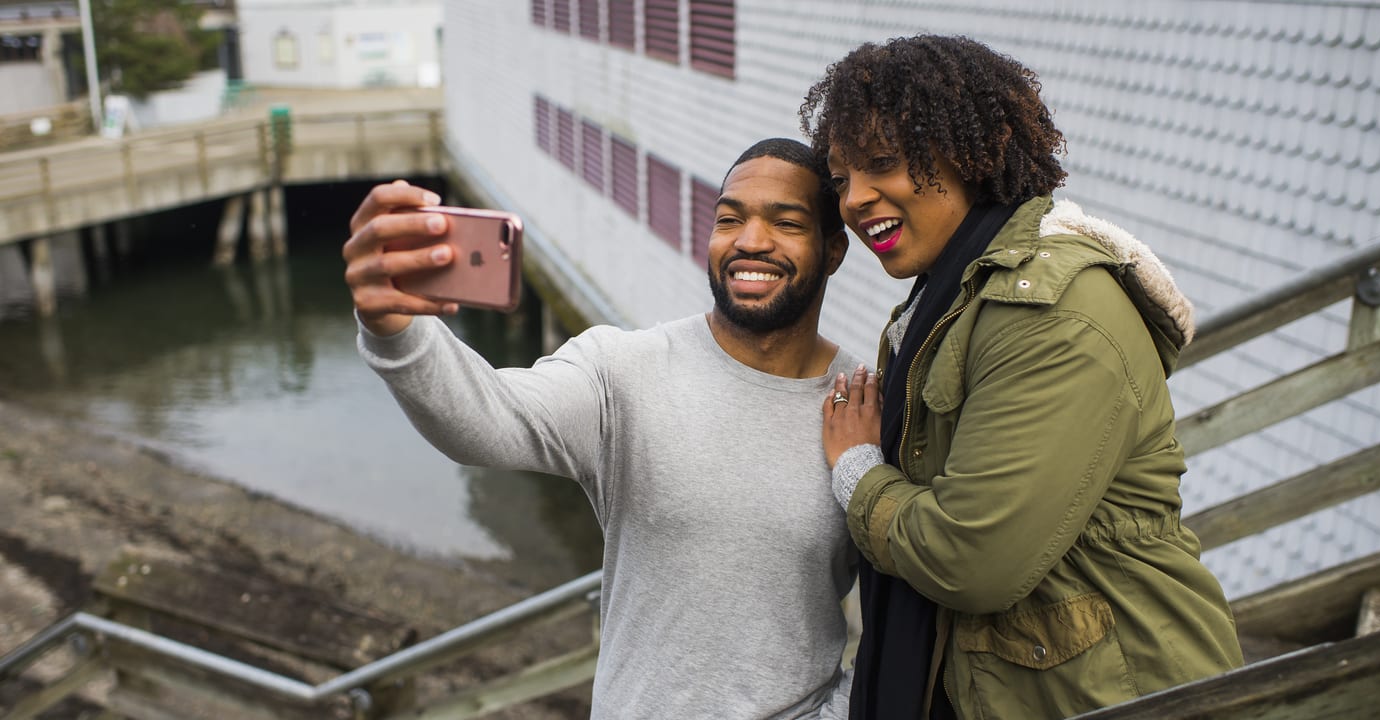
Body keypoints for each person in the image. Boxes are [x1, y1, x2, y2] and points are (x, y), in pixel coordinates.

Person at [801, 35, 1244, 718]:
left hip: (1114, 689)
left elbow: (971, 559)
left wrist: (857, 471)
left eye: (882, 163)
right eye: (840, 178)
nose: (856, 199)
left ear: (970, 150)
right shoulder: (948, 298)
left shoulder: (1052, 311)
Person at [342, 138, 862, 719]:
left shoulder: (865, 406)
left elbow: (908, 613)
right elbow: (486, 422)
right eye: (729, 219)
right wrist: (392, 328)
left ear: (833, 249)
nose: (748, 240)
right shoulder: (624, 369)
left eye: (785, 222)